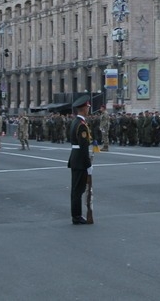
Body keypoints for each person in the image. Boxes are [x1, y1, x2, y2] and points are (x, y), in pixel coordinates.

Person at [67, 95, 92, 225]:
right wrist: (88, 164)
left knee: (76, 189)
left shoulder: (75, 122)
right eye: (87, 107)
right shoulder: (81, 125)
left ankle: (76, 214)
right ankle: (76, 216)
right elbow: (83, 147)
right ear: (83, 108)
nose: (88, 109)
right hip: (80, 160)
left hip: (75, 158)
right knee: (78, 190)